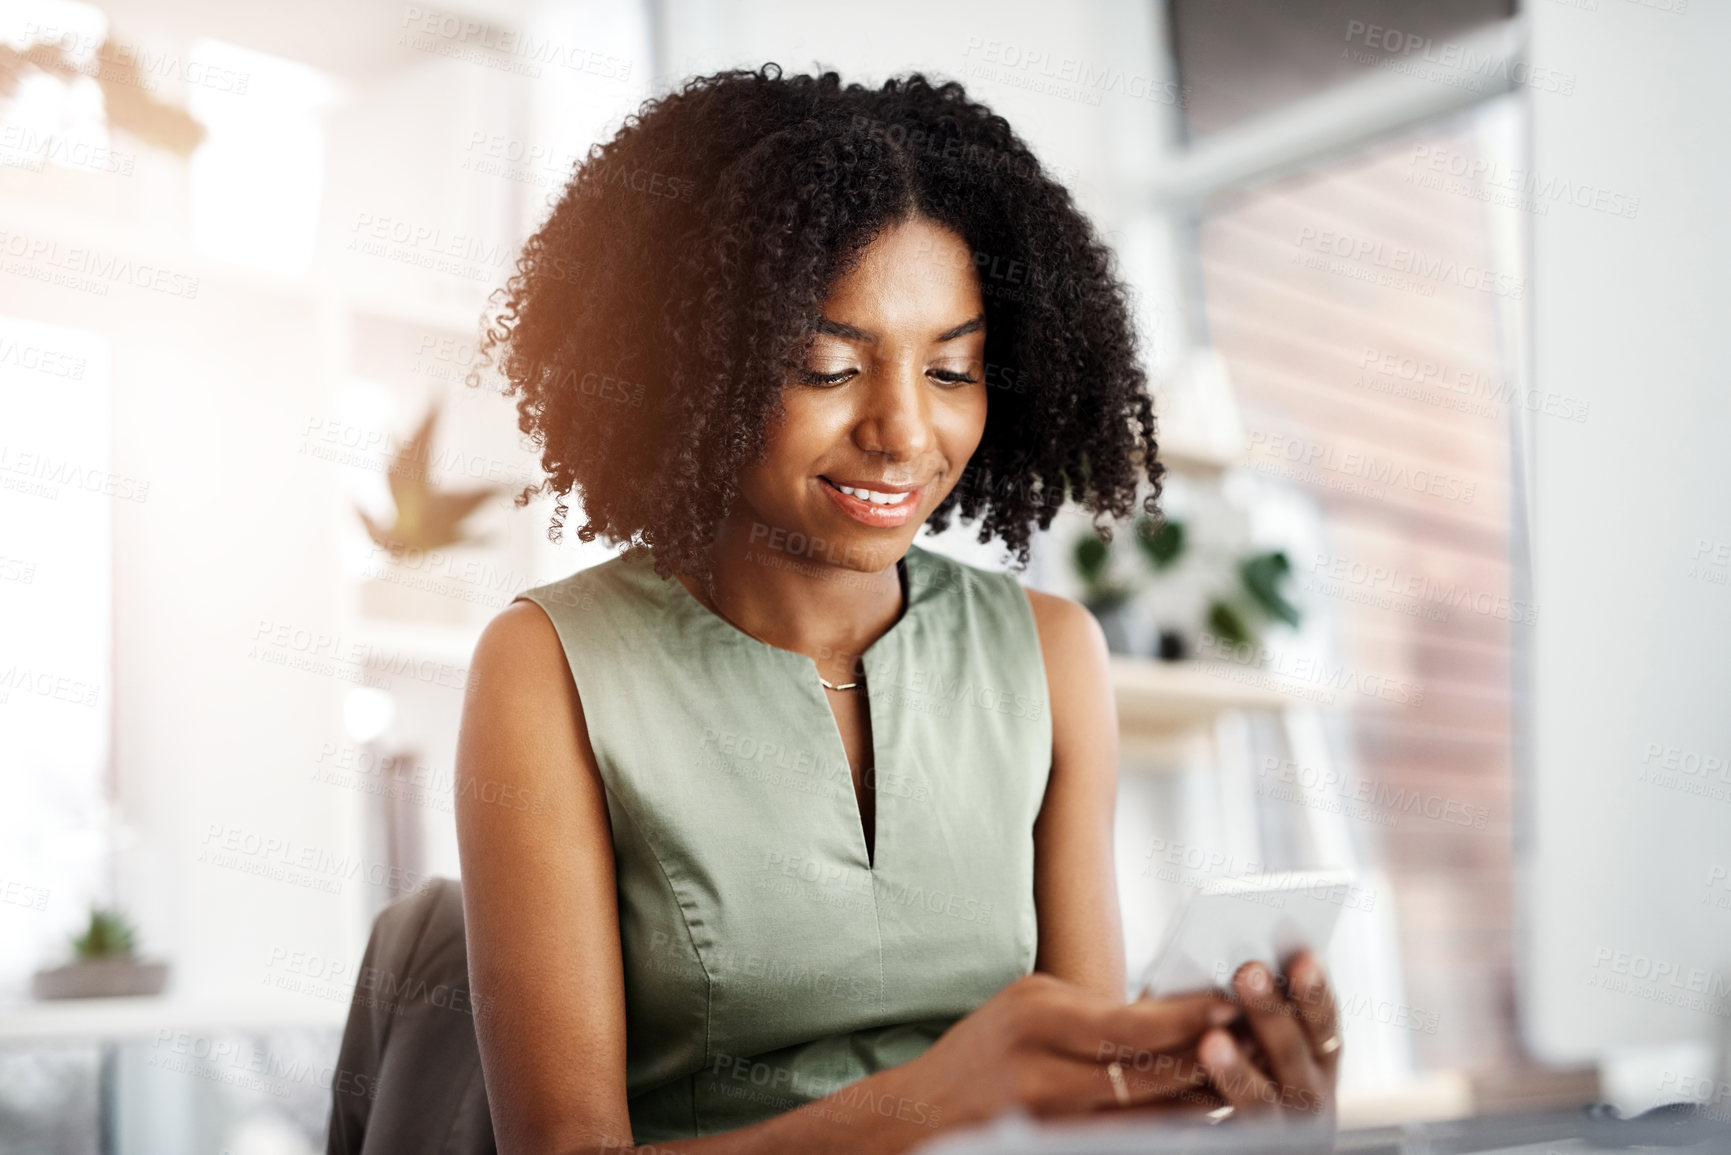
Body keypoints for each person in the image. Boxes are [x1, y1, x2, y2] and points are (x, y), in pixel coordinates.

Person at [454, 64, 1340, 1155]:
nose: (905, 433)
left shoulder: (1052, 655)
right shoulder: (549, 664)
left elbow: (1076, 1114)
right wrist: (943, 1099)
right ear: (700, 369)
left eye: (954, 369)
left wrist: (1234, 1093)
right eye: (830, 368)